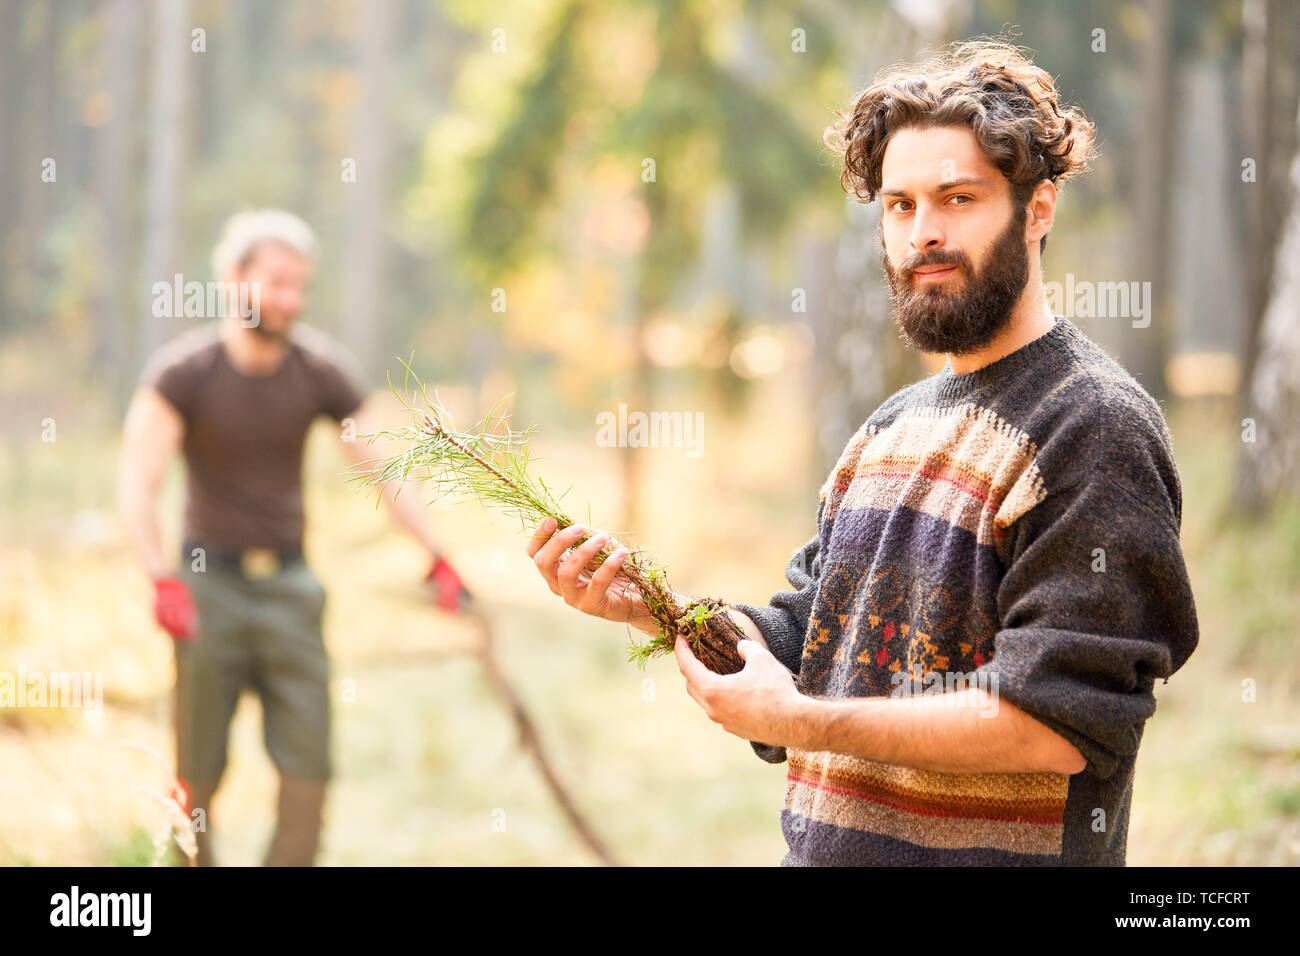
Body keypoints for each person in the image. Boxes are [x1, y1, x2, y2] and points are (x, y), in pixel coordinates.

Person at [524, 39, 1199, 866]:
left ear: (1038, 210)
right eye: (900, 206)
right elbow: (808, 640)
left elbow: (1055, 722)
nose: (924, 234)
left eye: (958, 199)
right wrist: (655, 607)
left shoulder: (1091, 427)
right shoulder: (888, 430)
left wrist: (801, 721)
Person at [118, 209, 470, 866]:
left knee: (310, 770)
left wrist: (436, 556)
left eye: (299, 285)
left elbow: (383, 470)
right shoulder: (183, 373)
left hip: (291, 589)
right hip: (205, 593)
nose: (289, 299)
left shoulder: (319, 370)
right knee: (196, 773)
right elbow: (138, 482)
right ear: (234, 278)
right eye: (276, 282)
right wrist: (159, 578)